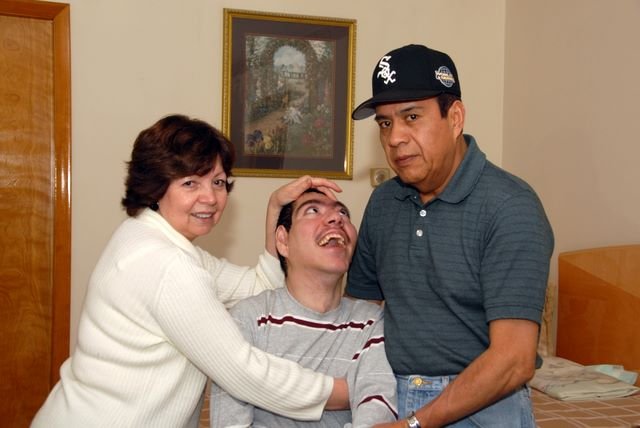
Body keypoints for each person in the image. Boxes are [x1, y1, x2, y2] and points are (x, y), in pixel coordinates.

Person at [31, 114, 350, 428]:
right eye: (190, 183)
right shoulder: (166, 264)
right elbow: (244, 373)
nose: (210, 198)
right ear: (156, 187)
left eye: (218, 182)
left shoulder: (153, 239)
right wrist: (352, 390)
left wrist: (275, 208)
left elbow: (260, 288)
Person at [346, 44, 554, 427]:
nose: (394, 138)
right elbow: (359, 316)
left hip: (485, 402)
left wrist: (414, 424)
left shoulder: (511, 206)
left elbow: (514, 360)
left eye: (411, 117)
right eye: (385, 123)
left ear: (455, 118)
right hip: (389, 391)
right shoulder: (384, 202)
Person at [210, 189, 398, 427]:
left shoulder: (370, 323)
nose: (336, 218)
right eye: (313, 210)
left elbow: (377, 409)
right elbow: (229, 421)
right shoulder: (249, 319)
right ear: (283, 241)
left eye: (343, 213)